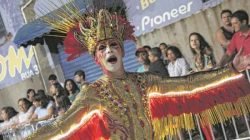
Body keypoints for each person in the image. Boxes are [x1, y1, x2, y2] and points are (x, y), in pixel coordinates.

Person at [27, 9, 250, 140]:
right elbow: (60, 126)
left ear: (122, 51)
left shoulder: (145, 81)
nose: (109, 50)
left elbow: (188, 84)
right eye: (102, 48)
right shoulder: (91, 93)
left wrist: (230, 70)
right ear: (97, 58)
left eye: (113, 45)